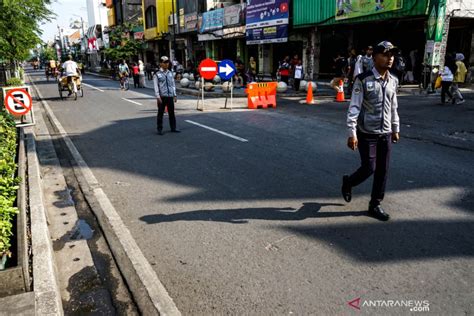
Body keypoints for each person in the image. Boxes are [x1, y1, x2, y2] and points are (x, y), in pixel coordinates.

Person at [342, 41, 400, 221]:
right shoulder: (363, 79)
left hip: (386, 132)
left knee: (383, 170)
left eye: (391, 55)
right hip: (366, 132)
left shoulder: (394, 80)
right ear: (374, 57)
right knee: (369, 168)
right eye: (385, 54)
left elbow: (393, 107)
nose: (389, 58)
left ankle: (375, 204)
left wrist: (395, 128)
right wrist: (352, 133)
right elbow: (354, 107)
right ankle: (349, 182)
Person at [153, 56, 179, 135]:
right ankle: (159, 129)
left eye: (167, 62)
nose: (166, 64)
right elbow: (156, 86)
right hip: (162, 96)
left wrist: (174, 94)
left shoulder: (170, 73)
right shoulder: (157, 74)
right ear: (160, 63)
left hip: (170, 96)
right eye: (164, 62)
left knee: (172, 113)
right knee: (160, 113)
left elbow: (173, 85)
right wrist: (157, 97)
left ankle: (173, 128)